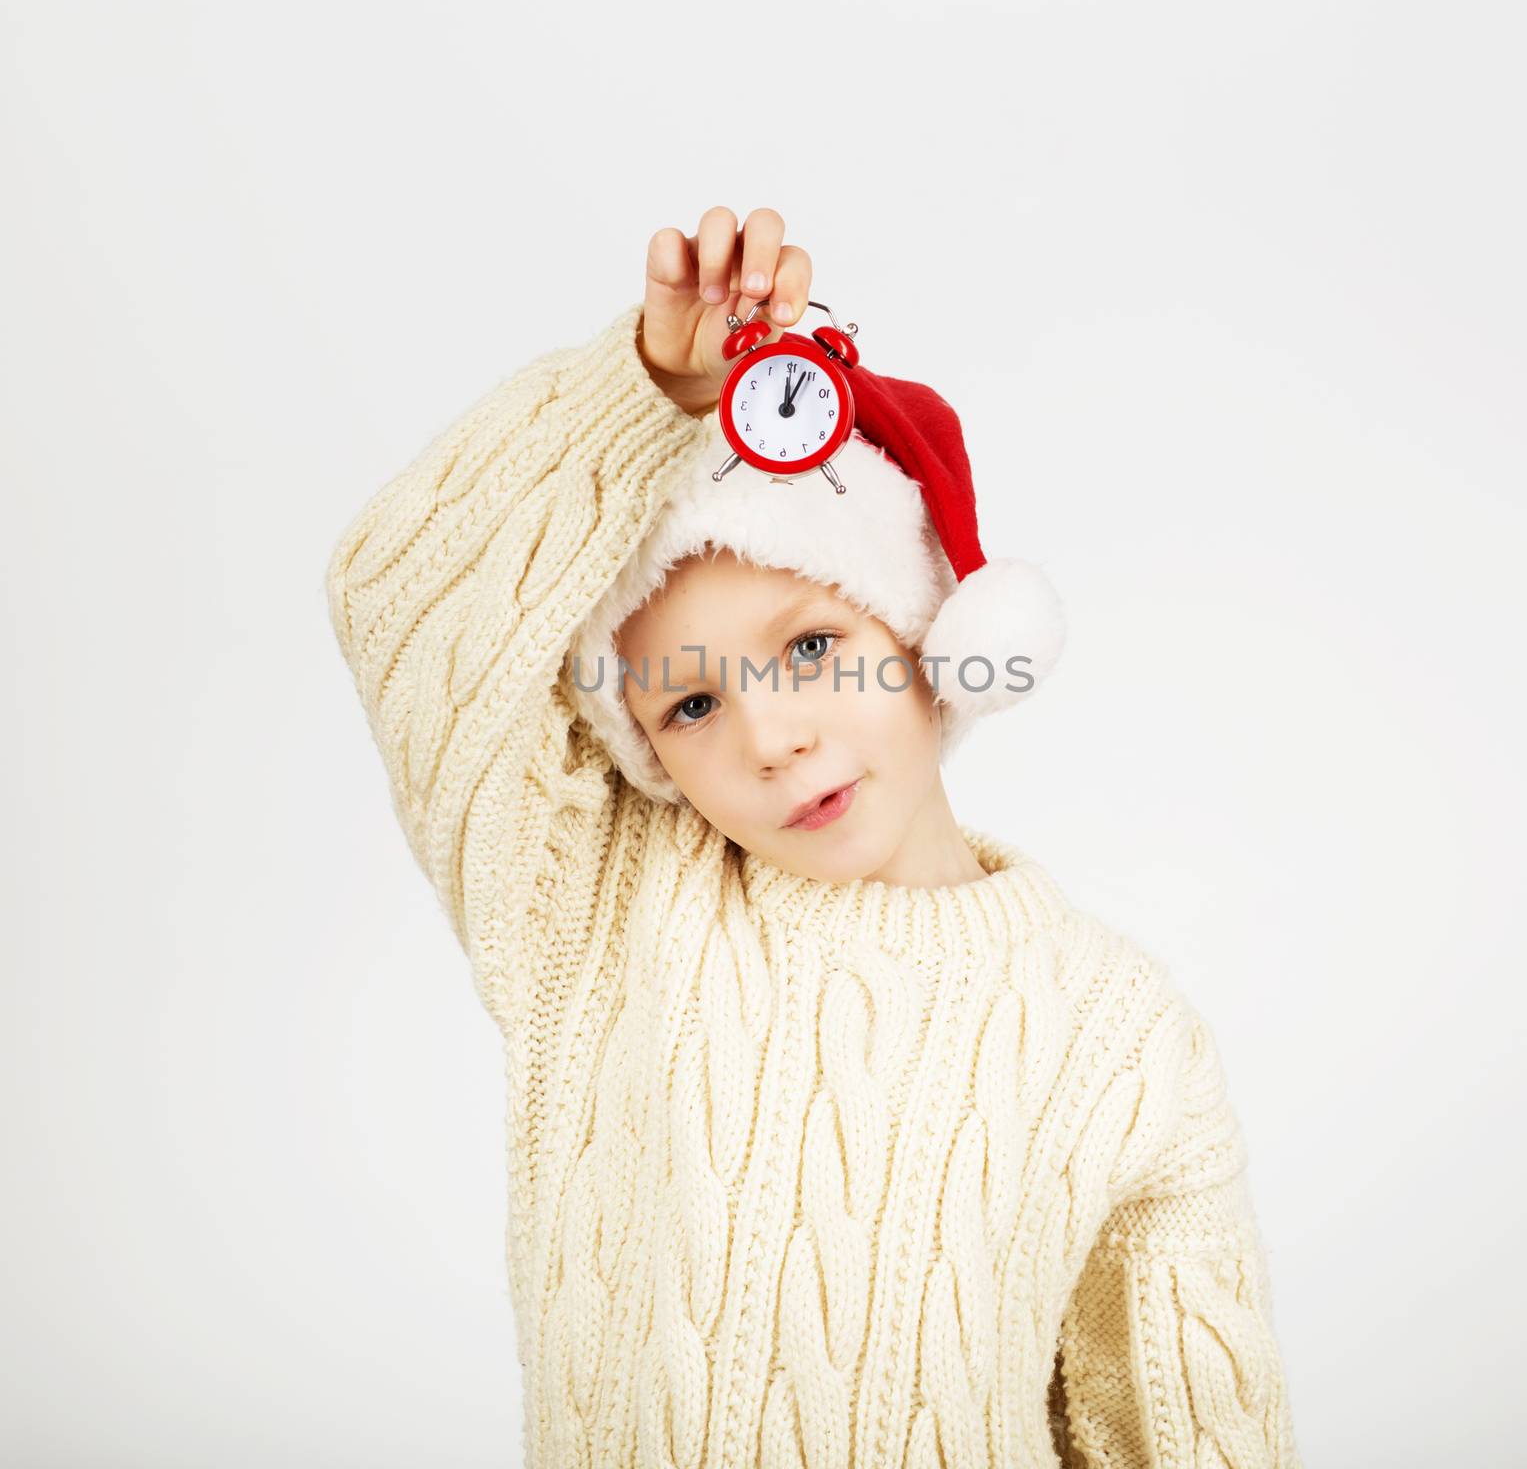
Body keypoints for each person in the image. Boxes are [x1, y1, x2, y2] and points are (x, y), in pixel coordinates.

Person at [325, 205, 1302, 1467]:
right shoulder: (594, 914)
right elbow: (392, 596)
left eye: (808, 646)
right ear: (647, 752)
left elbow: (1189, 1433)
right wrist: (646, 394)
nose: (772, 735)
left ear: (922, 634)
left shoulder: (1117, 1034)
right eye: (690, 701)